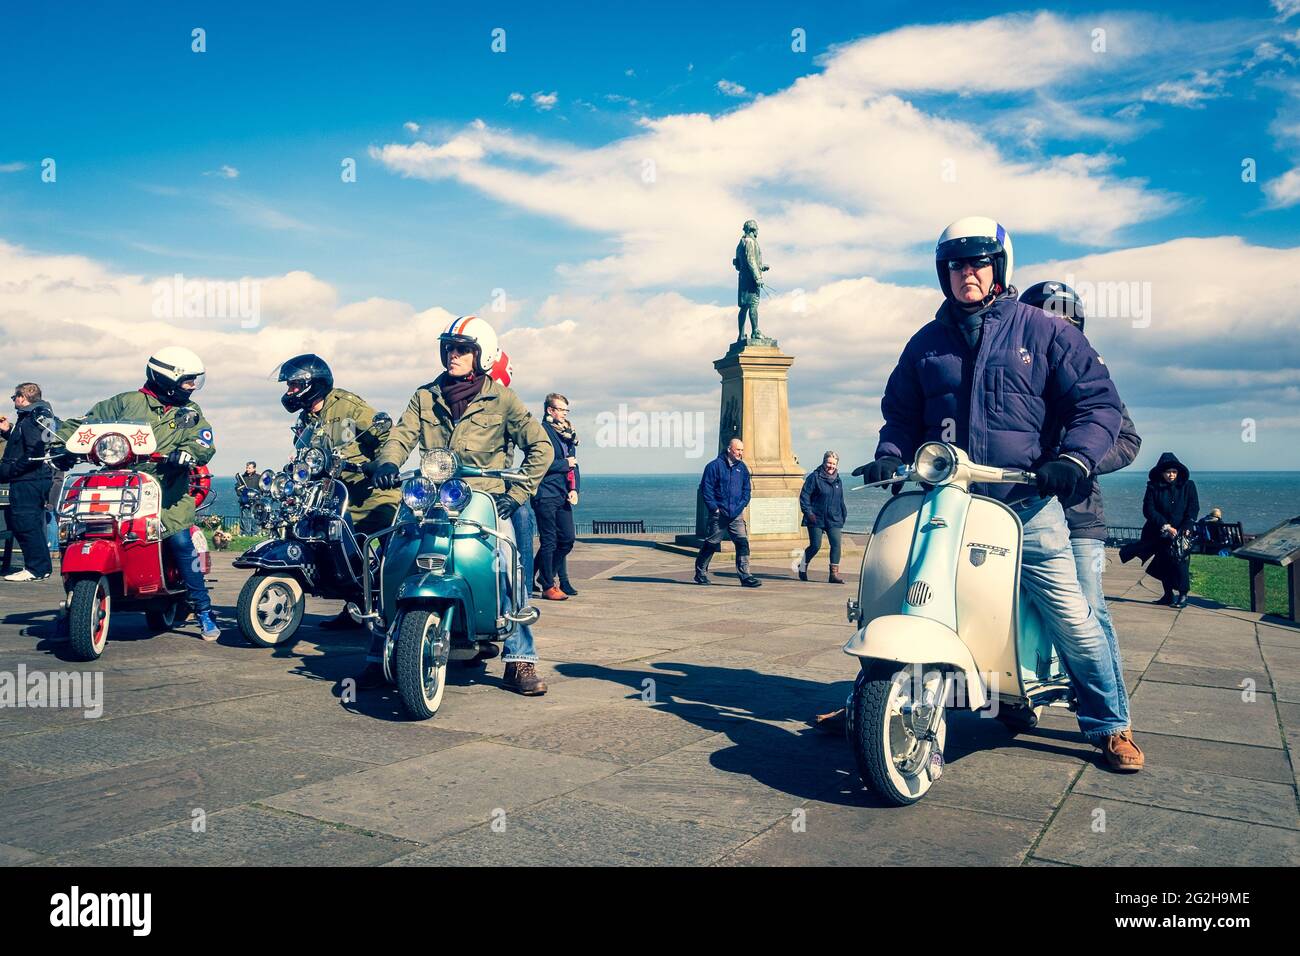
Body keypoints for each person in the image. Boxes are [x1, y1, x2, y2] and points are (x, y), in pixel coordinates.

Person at [848, 217, 1142, 772]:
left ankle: (1108, 725)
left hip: (1026, 504)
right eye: (957, 265)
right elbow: (902, 412)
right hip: (948, 498)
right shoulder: (926, 342)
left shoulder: (1045, 330)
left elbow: (1099, 405)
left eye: (979, 263)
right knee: (907, 592)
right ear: (944, 273)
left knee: (1074, 618)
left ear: (999, 267)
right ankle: (876, 697)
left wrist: (1074, 459)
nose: (968, 274)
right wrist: (892, 450)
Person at [372, 315, 554, 695]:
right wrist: (389, 461)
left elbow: (542, 446)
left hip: (488, 501)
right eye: (449, 348)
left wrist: (516, 494)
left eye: (462, 349)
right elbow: (402, 434)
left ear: (481, 354)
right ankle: (381, 651)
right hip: (431, 500)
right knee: (394, 557)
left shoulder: (501, 399)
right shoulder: (426, 396)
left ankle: (520, 658)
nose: (452, 355)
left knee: (510, 567)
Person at [1021, 280, 1141, 735]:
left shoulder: (1089, 371)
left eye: (1066, 316)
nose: (1057, 322)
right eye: (1047, 314)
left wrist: (1078, 462)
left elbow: (1126, 438)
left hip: (1076, 514)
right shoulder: (1014, 368)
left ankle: (1112, 724)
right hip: (1014, 508)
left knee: (1088, 611)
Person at [54, 348, 221, 640]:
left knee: (181, 541)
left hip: (167, 491)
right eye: (187, 381)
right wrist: (61, 443)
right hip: (118, 485)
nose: (192, 387)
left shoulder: (190, 412)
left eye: (195, 381)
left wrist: (186, 453)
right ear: (166, 378)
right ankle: (74, 605)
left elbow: (202, 440)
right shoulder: (125, 403)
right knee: (80, 532)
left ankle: (203, 609)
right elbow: (85, 423)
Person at [275, 353, 402, 630]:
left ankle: (394, 615)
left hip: (371, 492)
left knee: (386, 553)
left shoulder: (347, 405)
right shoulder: (306, 420)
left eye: (294, 385)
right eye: (289, 386)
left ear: (313, 383)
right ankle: (355, 606)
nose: (289, 391)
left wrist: (381, 467)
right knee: (337, 552)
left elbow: (386, 434)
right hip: (335, 495)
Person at [1120, 453, 1199, 608]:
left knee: (1180, 563)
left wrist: (1186, 527)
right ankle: (1168, 594)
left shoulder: (1188, 486)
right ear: (1162, 473)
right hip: (1159, 532)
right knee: (1163, 563)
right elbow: (1148, 509)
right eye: (1168, 472)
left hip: (1181, 533)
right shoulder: (1153, 487)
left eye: (1174, 472)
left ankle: (1183, 595)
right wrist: (1166, 526)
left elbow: (1193, 508)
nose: (1171, 475)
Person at [0, 383, 57, 582]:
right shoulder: (36, 416)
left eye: (14, 397)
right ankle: (41, 567)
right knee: (30, 523)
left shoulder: (32, 418)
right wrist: (8, 431)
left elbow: (34, 450)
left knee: (25, 523)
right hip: (35, 479)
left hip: (28, 480)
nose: (13, 400)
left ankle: (36, 568)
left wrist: (13, 470)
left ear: (22, 397)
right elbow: (27, 443)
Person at [694, 437, 761, 588]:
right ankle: (700, 572)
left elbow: (746, 490)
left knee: (742, 543)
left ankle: (745, 575)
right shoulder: (714, 466)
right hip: (719, 514)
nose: (740, 453)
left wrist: (741, 506)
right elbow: (707, 489)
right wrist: (714, 508)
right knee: (711, 544)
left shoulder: (742, 468)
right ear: (730, 449)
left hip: (736, 514)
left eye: (742, 450)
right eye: (738, 450)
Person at [533, 392, 581, 600]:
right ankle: (548, 585)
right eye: (561, 409)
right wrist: (564, 464)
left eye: (566, 410)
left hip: (563, 493)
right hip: (545, 492)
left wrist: (574, 489)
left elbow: (574, 464)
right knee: (549, 541)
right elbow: (538, 464)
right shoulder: (541, 431)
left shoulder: (567, 433)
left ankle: (537, 575)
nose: (564, 413)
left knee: (567, 539)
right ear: (550, 410)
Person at [797, 451, 848, 584]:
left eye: (833, 464)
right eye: (828, 463)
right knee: (815, 545)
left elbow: (840, 499)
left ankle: (833, 575)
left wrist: (843, 515)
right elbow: (804, 496)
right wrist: (808, 513)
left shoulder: (838, 479)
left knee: (836, 545)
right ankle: (802, 566)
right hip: (816, 517)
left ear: (837, 465)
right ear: (824, 462)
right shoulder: (814, 477)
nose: (831, 466)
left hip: (834, 518)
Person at [733, 220, 769, 341]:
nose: (758, 231)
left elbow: (738, 264)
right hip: (751, 281)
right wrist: (757, 277)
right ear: (753, 229)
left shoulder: (740, 243)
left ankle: (741, 335)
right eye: (757, 229)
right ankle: (755, 332)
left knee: (744, 307)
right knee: (753, 305)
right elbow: (750, 260)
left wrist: (761, 267)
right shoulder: (750, 241)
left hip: (744, 278)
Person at [236, 461, 260, 534]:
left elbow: (262, 488)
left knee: (255, 517)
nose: (247, 469)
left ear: (254, 468)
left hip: (255, 501)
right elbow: (237, 487)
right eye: (247, 468)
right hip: (244, 500)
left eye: (249, 468)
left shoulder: (259, 477)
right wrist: (240, 494)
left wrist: (257, 496)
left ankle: (255, 532)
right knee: (244, 517)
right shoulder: (242, 477)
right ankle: (244, 533)